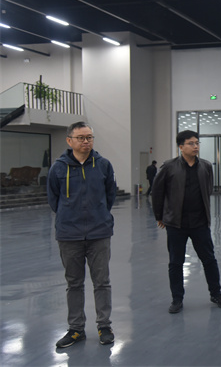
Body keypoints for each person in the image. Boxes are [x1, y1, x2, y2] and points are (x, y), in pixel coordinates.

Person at [47, 122, 117, 348]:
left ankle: (104, 326)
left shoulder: (103, 165)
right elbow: (53, 199)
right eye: (81, 138)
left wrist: (99, 216)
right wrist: (69, 216)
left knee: (102, 282)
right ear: (69, 140)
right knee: (74, 283)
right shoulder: (58, 168)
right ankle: (76, 329)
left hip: (99, 233)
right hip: (69, 235)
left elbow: (110, 195)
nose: (86, 141)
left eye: (89, 137)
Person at [151, 130, 221, 314]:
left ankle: (216, 294)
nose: (195, 146)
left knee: (209, 259)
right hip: (176, 223)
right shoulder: (169, 167)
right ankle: (177, 299)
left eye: (197, 143)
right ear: (181, 147)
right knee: (175, 262)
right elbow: (157, 192)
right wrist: (159, 216)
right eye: (191, 143)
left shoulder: (205, 166)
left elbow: (208, 189)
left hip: (200, 222)